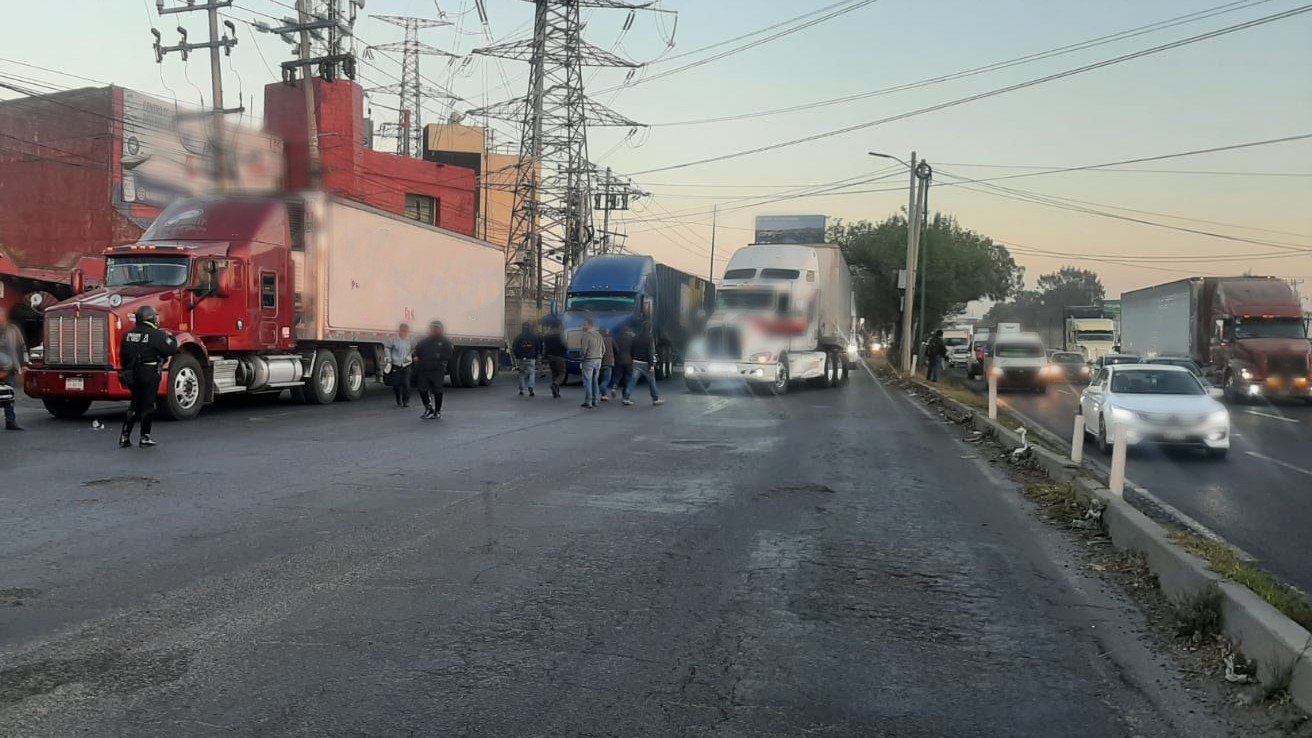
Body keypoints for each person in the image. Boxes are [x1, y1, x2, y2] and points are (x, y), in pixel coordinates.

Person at [119, 305, 178, 447]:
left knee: (134, 404)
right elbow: (170, 349)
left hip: (131, 373)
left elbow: (123, 356)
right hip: (149, 371)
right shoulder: (157, 334)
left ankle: (124, 437)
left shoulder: (128, 335)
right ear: (150, 318)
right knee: (148, 405)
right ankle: (145, 437)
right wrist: (172, 338)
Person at [412, 321, 454, 420]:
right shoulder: (424, 341)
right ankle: (428, 408)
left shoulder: (445, 342)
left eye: (436, 328)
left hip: (437, 369)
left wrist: (438, 356)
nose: (434, 330)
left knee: (437, 390)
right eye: (432, 328)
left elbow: (449, 355)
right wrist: (416, 357)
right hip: (423, 369)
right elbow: (417, 351)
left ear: (441, 330)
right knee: (422, 389)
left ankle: (438, 411)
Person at [623, 320, 663, 407]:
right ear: (650, 329)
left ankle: (626, 398)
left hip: (636, 362)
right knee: (651, 381)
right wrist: (652, 365)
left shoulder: (636, 337)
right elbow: (650, 352)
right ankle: (655, 399)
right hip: (646, 363)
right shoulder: (649, 338)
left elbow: (631, 349)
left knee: (633, 380)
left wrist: (633, 358)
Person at [0, 310, 26, 431]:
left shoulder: (13, 329)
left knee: (9, 396)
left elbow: (21, 347)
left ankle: (11, 421)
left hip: (10, 367)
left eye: (1, 316)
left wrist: (24, 364)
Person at [385, 322, 415, 408]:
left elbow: (415, 349)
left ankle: (406, 400)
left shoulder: (410, 340)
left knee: (406, 382)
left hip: (407, 363)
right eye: (402, 331)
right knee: (396, 383)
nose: (403, 333)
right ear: (399, 331)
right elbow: (387, 347)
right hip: (396, 363)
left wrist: (411, 356)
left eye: (405, 331)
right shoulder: (394, 339)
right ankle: (398, 398)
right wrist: (389, 358)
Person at [578, 319, 604, 409]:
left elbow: (583, 350)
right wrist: (599, 355)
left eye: (584, 325)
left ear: (590, 325)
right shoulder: (599, 335)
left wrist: (582, 357)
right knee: (595, 380)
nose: (583, 326)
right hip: (598, 360)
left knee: (587, 381)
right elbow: (603, 349)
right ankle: (595, 400)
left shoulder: (586, 336)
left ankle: (588, 401)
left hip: (589, 360)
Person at [512, 321, 542, 397]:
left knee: (521, 374)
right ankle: (531, 387)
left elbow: (514, 347)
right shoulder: (534, 336)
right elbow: (538, 347)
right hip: (531, 358)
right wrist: (536, 356)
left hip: (521, 358)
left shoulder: (518, 337)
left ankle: (521, 390)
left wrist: (517, 355)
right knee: (532, 373)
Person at [543, 322, 568, 399]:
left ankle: (556, 393)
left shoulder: (546, 335)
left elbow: (544, 347)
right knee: (562, 373)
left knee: (554, 373)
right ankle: (555, 383)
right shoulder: (560, 334)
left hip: (550, 356)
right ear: (558, 326)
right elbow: (564, 344)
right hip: (559, 356)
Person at [612, 324, 634, 400]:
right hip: (628, 360)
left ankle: (614, 387)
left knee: (617, 375)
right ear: (627, 331)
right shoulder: (631, 339)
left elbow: (614, 350)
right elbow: (633, 350)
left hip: (618, 360)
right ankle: (626, 394)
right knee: (628, 377)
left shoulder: (617, 339)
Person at [597, 327, 616, 402]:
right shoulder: (610, 339)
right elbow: (616, 349)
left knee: (600, 379)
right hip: (608, 362)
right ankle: (603, 391)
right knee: (606, 380)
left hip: (599, 362)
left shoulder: (598, 340)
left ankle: (603, 395)